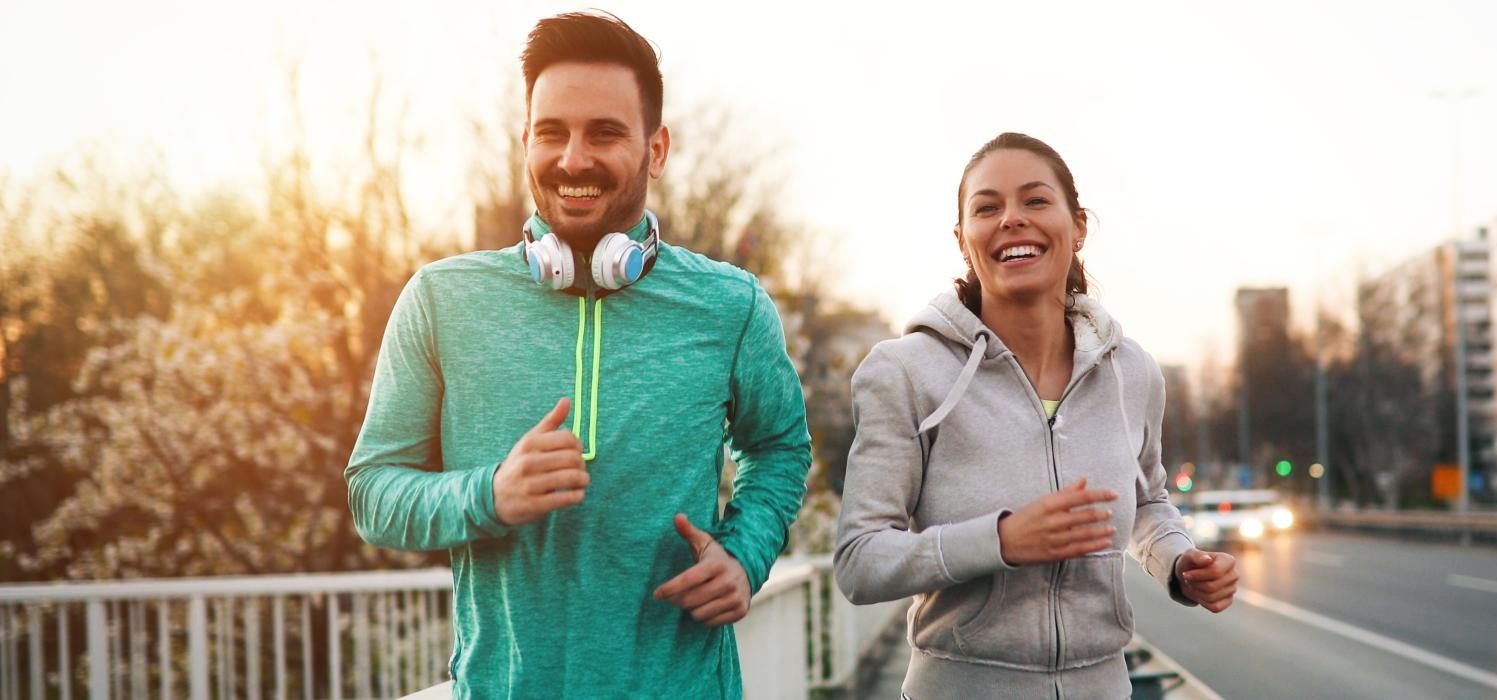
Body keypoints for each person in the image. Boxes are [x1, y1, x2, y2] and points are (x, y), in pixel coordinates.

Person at [344, 11, 811, 698]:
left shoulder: (731, 306)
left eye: (605, 133)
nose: (573, 160)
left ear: (656, 150)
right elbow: (372, 493)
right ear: (525, 140)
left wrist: (745, 555)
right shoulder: (440, 300)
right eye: (552, 133)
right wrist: (489, 495)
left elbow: (779, 450)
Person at [833, 132, 1238, 698]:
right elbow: (860, 561)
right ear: (963, 240)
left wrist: (1180, 560)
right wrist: (1000, 540)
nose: (1012, 220)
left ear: (1078, 228)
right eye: (987, 208)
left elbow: (1147, 501)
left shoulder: (1134, 372)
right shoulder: (905, 372)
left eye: (1036, 201)